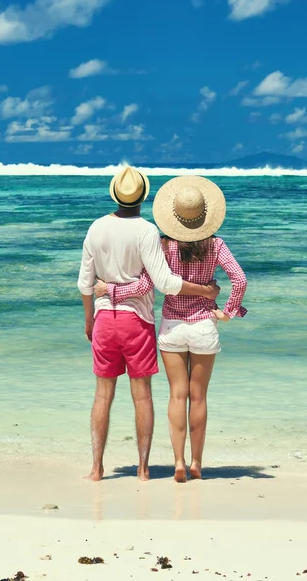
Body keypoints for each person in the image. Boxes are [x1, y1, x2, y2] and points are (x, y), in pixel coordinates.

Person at [94, 175, 247, 482]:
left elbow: (145, 285)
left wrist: (110, 291)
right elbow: (240, 280)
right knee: (199, 397)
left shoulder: (164, 246)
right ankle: (196, 464)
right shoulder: (216, 245)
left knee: (177, 396)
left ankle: (177, 462)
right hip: (204, 325)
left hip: (173, 328)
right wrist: (228, 312)